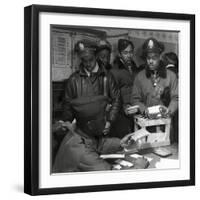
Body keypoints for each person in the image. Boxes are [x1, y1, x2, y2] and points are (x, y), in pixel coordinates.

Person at [53, 39, 122, 172]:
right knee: (93, 162)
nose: (87, 64)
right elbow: (68, 107)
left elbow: (116, 99)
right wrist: (69, 122)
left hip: (102, 129)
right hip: (84, 131)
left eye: (90, 59)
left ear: (95, 56)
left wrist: (109, 120)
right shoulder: (74, 80)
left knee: (101, 156)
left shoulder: (107, 76)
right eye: (84, 60)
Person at [129, 37, 178, 141]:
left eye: (154, 58)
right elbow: (135, 99)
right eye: (148, 58)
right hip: (146, 127)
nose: (150, 61)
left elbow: (176, 98)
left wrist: (169, 110)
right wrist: (143, 110)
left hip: (165, 126)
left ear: (160, 57)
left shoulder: (171, 76)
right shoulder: (139, 77)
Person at [109, 39, 139, 138]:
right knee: (124, 140)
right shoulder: (114, 71)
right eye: (125, 53)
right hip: (121, 114)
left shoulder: (135, 68)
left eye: (131, 52)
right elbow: (114, 95)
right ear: (119, 53)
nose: (129, 55)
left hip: (135, 111)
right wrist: (123, 107)